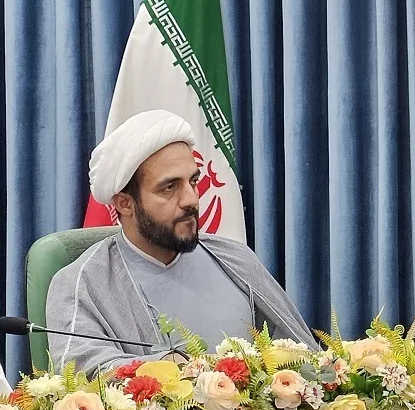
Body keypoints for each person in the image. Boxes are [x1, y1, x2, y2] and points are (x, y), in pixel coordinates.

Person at [46, 110, 316, 372]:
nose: (191, 200)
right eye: (169, 187)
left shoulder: (235, 259)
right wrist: (174, 368)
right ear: (125, 204)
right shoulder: (81, 283)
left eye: (193, 181)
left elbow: (306, 359)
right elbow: (82, 367)